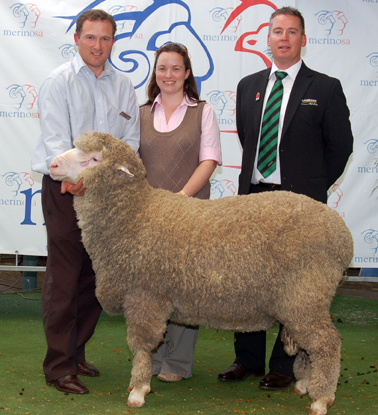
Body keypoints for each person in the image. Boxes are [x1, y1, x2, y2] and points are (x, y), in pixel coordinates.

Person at [218, 6, 353, 390]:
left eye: (292, 31)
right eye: (277, 31)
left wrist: (312, 186)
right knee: (247, 278)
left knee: (293, 284)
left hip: (298, 207)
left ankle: (282, 363)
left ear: (303, 39)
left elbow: (340, 146)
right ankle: (247, 359)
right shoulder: (249, 85)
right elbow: (248, 137)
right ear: (268, 38)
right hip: (254, 199)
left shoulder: (325, 88)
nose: (284, 37)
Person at [31, 10, 140, 395]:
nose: (98, 46)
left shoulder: (124, 86)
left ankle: (76, 353)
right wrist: (78, 179)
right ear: (77, 39)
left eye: (105, 39)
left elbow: (129, 144)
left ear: (113, 41)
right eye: (91, 38)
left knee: (95, 277)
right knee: (64, 277)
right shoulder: (57, 82)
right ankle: (58, 366)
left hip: (106, 196)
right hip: (65, 192)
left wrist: (99, 179)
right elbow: (57, 144)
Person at [139, 42, 222, 382]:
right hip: (148, 218)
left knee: (187, 288)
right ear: (154, 73)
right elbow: (132, 164)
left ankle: (179, 363)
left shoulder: (203, 111)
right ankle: (154, 359)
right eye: (162, 68)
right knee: (151, 289)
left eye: (176, 68)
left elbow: (210, 160)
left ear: (187, 73)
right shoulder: (141, 111)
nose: (168, 75)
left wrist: (182, 198)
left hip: (191, 214)